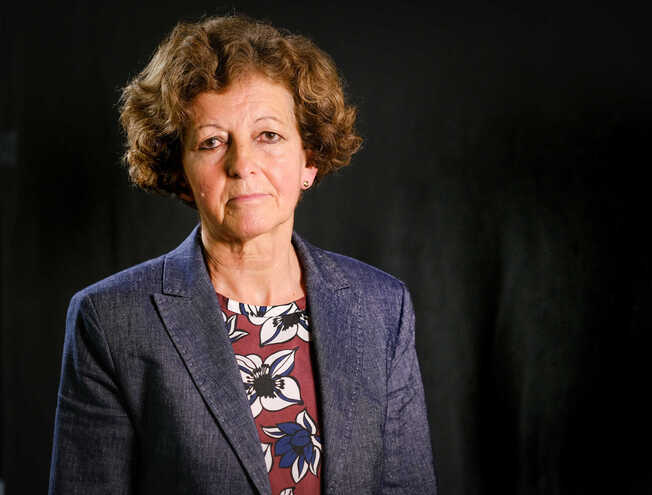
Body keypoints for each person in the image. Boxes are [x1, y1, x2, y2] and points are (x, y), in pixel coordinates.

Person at [48, 14, 436, 495]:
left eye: (268, 135)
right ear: (180, 170)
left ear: (309, 160)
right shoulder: (110, 320)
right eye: (212, 142)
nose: (242, 164)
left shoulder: (382, 307)